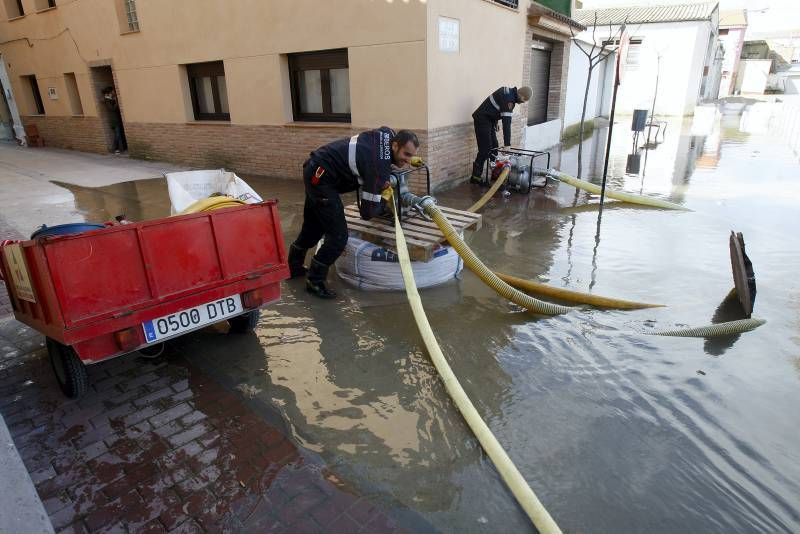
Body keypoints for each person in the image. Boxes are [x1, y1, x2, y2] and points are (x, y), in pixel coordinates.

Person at [289, 128, 421, 299]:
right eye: (406, 154)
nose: (408, 161)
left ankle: (294, 267)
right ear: (395, 146)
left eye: (412, 156)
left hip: (315, 167)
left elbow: (382, 135)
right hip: (322, 180)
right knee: (338, 237)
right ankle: (314, 281)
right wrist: (384, 196)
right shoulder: (377, 169)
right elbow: (367, 212)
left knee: (313, 225)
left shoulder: (387, 134)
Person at [470, 86, 531, 185]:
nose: (523, 102)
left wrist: (495, 122)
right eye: (524, 100)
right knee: (485, 149)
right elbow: (507, 123)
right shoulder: (509, 100)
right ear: (521, 95)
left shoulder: (510, 94)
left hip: (489, 119)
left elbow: (494, 107)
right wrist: (507, 144)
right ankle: (475, 177)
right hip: (482, 118)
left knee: (494, 146)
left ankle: (495, 172)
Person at [102, 86, 127, 154]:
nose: (114, 92)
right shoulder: (107, 100)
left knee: (119, 134)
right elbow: (112, 109)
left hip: (117, 119)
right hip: (114, 120)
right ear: (110, 92)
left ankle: (121, 148)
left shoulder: (111, 99)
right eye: (113, 91)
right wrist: (116, 102)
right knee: (117, 135)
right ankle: (116, 148)